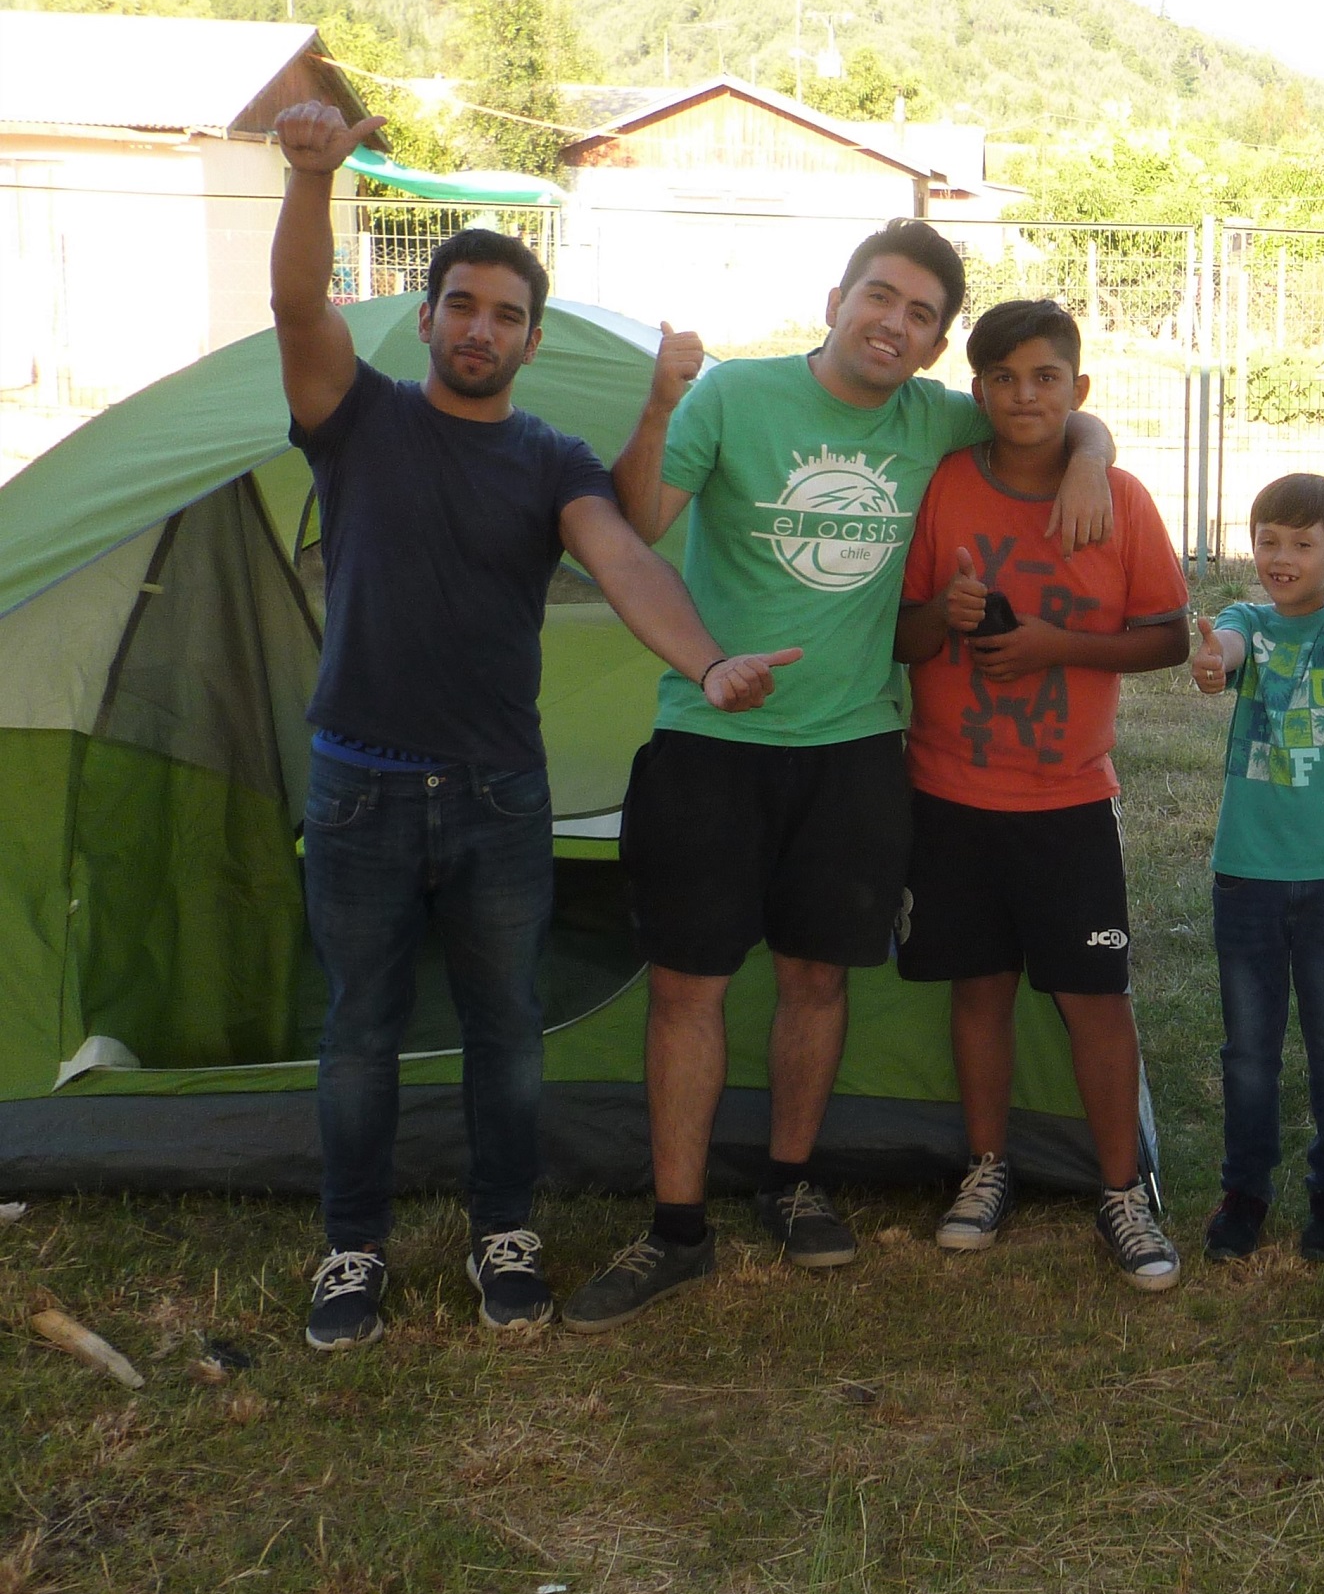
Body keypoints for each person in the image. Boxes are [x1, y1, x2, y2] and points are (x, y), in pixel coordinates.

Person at [265, 100, 790, 1352]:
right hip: (358, 786)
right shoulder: (357, 417)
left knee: (505, 1031)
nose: (481, 329)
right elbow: (294, 308)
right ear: (426, 317)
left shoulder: (552, 460)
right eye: (462, 306)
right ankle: (353, 1248)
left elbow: (628, 561)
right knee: (361, 1031)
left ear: (532, 341)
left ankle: (504, 1233)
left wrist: (708, 661)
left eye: (506, 315)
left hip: (498, 795)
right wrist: (310, 179)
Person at [568, 224, 1115, 1332]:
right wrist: (662, 403)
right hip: (712, 735)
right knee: (687, 988)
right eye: (880, 296)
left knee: (818, 980)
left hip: (856, 747)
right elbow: (638, 519)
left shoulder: (934, 417)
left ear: (936, 347)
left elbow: (1056, 412)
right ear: (836, 299)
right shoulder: (734, 397)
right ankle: (677, 1227)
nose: (893, 324)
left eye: (920, 316)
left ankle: (790, 1182)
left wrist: (1094, 455)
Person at [891, 299, 1191, 1287]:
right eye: (1005, 379)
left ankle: (1121, 1190)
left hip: (1067, 800)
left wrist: (1056, 645)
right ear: (978, 392)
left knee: (1094, 997)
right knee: (978, 989)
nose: (1026, 396)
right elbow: (902, 635)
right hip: (950, 792)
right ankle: (986, 1168)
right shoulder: (946, 486)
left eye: (1046, 378)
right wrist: (947, 613)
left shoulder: (1121, 499)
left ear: (1078, 388)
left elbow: (1168, 637)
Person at [1189, 474, 1324, 1266]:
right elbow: (1227, 647)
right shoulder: (1246, 620)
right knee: (1248, 1051)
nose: (1282, 557)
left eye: (1302, 545)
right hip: (1248, 873)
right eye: (1268, 541)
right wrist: (1213, 662)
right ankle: (1245, 1192)